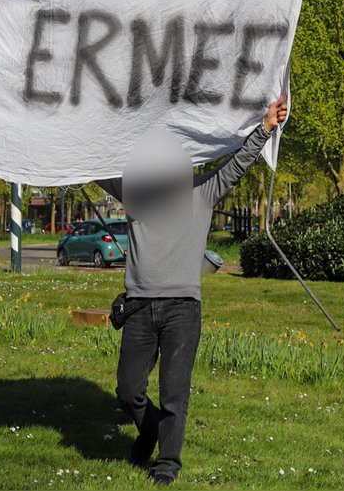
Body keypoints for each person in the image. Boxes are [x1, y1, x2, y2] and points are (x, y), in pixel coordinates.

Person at [96, 95, 288, 485]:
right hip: (138, 307)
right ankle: (150, 430)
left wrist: (266, 127)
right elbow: (89, 163)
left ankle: (166, 464)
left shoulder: (203, 191)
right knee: (128, 391)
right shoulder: (134, 192)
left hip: (182, 309)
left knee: (174, 393)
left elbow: (238, 163)